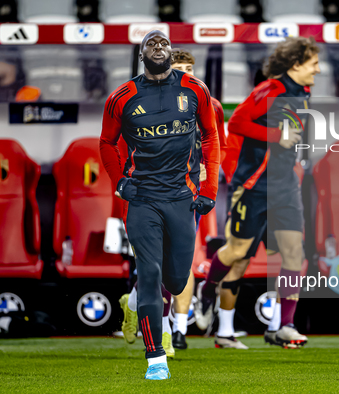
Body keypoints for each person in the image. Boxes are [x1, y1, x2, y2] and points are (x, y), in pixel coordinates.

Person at [100, 30, 220, 380]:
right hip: (142, 199)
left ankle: (134, 302)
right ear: (141, 54)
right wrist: (120, 183)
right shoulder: (122, 96)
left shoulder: (195, 89)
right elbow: (107, 143)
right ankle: (155, 359)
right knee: (149, 274)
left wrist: (209, 186)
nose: (158, 47)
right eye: (150, 43)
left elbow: (212, 137)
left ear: (171, 51)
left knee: (177, 280)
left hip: (182, 199)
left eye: (163, 42)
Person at [194, 37, 321, 349]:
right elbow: (236, 122)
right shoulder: (272, 89)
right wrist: (277, 135)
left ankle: (284, 326)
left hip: (286, 186)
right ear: (295, 65)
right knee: (236, 253)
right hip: (254, 186)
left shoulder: (303, 91)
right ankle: (206, 291)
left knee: (295, 255)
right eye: (313, 63)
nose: (318, 70)